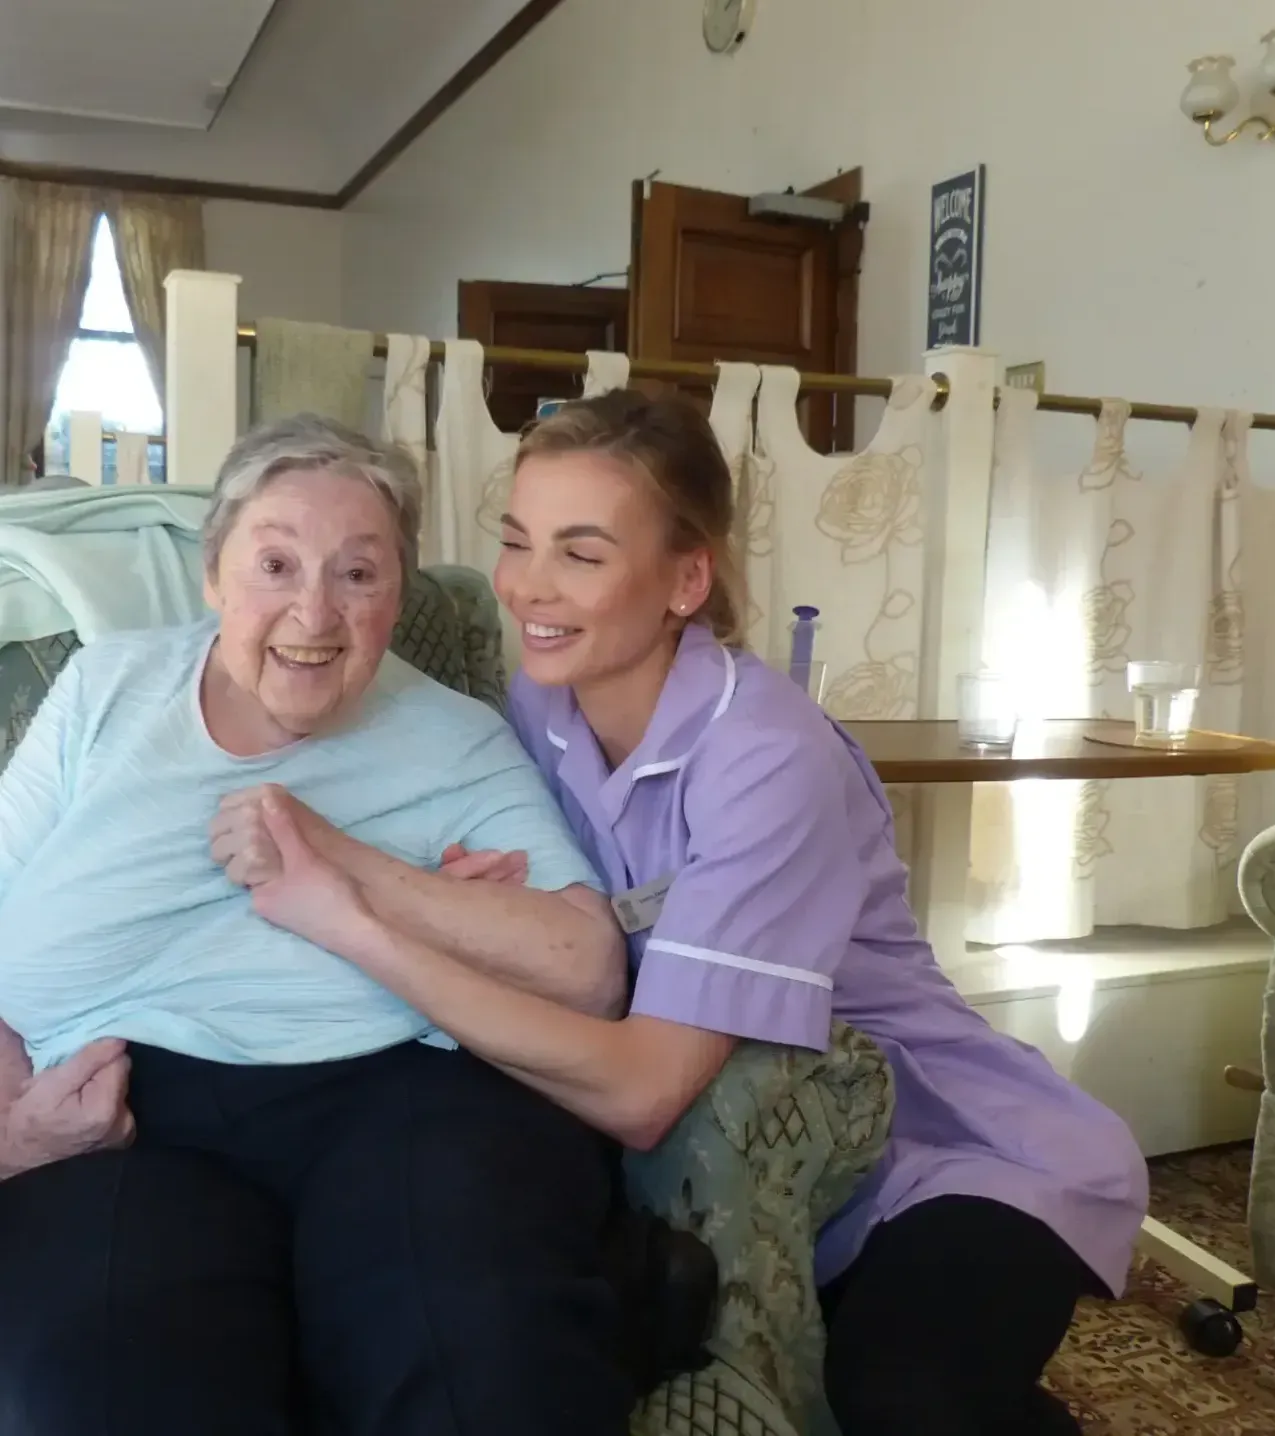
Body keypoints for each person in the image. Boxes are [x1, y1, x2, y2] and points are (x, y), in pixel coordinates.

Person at [238, 392, 1151, 1436]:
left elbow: (642, 1091)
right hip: (760, 1175)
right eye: (515, 540)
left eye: (581, 554)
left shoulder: (768, 757)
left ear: (686, 580)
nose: (529, 586)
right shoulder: (541, 703)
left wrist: (354, 900)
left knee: (904, 1400)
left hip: (953, 1154)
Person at [0, 414, 633, 1435]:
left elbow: (587, 966)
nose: (314, 612)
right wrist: (11, 1135)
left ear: (399, 596)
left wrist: (345, 859)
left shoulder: (457, 738)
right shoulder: (102, 692)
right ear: (215, 575)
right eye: (277, 563)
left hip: (402, 1090)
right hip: (125, 1116)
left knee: (475, 1347)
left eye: (358, 573)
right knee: (106, 1375)